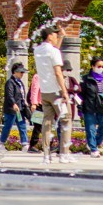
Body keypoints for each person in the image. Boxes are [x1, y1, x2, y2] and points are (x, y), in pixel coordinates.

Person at [34, 26, 72, 163]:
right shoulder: (54, 52)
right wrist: (64, 92)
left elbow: (53, 53)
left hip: (45, 92)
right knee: (66, 120)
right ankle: (64, 154)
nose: (56, 38)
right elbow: (57, 72)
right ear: (50, 36)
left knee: (47, 122)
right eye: (55, 36)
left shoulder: (37, 50)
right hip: (57, 92)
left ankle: (46, 155)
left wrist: (60, 36)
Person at [81, 57, 103, 157]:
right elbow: (80, 94)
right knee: (91, 129)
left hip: (102, 107)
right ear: (92, 66)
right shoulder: (86, 79)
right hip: (89, 107)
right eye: (99, 66)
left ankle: (94, 144)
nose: (101, 68)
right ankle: (93, 149)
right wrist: (80, 108)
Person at [0, 62, 31, 152]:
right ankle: (1, 143)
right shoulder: (10, 82)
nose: (22, 74)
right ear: (14, 72)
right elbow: (9, 95)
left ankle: (24, 143)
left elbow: (22, 95)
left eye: (23, 72)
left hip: (19, 109)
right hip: (11, 109)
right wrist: (13, 104)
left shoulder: (20, 83)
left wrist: (25, 102)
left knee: (22, 125)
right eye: (20, 72)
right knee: (8, 126)